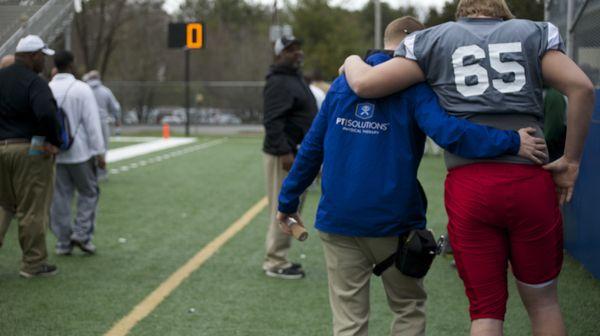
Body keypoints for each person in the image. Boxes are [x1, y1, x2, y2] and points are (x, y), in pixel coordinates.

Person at [276, 16, 548, 336]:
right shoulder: (415, 87)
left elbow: (311, 148)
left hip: (339, 220)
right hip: (394, 222)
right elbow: (450, 134)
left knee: (349, 322)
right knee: (408, 309)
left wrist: (287, 200)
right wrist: (513, 140)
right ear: (419, 45)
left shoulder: (342, 83)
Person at [341, 1, 594, 335]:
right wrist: (571, 160)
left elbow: (365, 85)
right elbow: (582, 87)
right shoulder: (533, 33)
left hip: (470, 185)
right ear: (502, 9)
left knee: (485, 311)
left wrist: (349, 60)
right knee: (544, 303)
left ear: (462, 9)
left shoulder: (432, 39)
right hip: (528, 178)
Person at [0, 35, 62, 278]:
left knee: (3, 204)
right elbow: (47, 113)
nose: (44, 62)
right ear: (34, 55)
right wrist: (53, 141)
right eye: (42, 57)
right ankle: (33, 264)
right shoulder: (34, 82)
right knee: (32, 208)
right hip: (28, 149)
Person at [262, 36, 318, 279]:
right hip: (285, 154)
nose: (296, 53)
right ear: (278, 55)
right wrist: (284, 152)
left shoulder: (293, 78)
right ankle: (275, 261)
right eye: (289, 50)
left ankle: (280, 257)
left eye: (297, 48)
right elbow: (272, 121)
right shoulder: (278, 81)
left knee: (291, 205)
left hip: (297, 151)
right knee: (282, 206)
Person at [49, 51, 105, 255]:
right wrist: (100, 152)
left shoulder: (47, 88)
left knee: (60, 198)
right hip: (80, 153)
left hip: (55, 153)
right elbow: (92, 123)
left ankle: (63, 242)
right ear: (71, 65)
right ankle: (81, 235)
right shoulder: (82, 89)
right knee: (89, 193)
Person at [83, 70, 121, 180]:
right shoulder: (105, 91)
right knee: (102, 147)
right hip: (102, 122)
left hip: (87, 122)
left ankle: (89, 172)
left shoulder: (85, 90)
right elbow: (115, 108)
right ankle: (101, 172)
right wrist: (117, 120)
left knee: (88, 146)